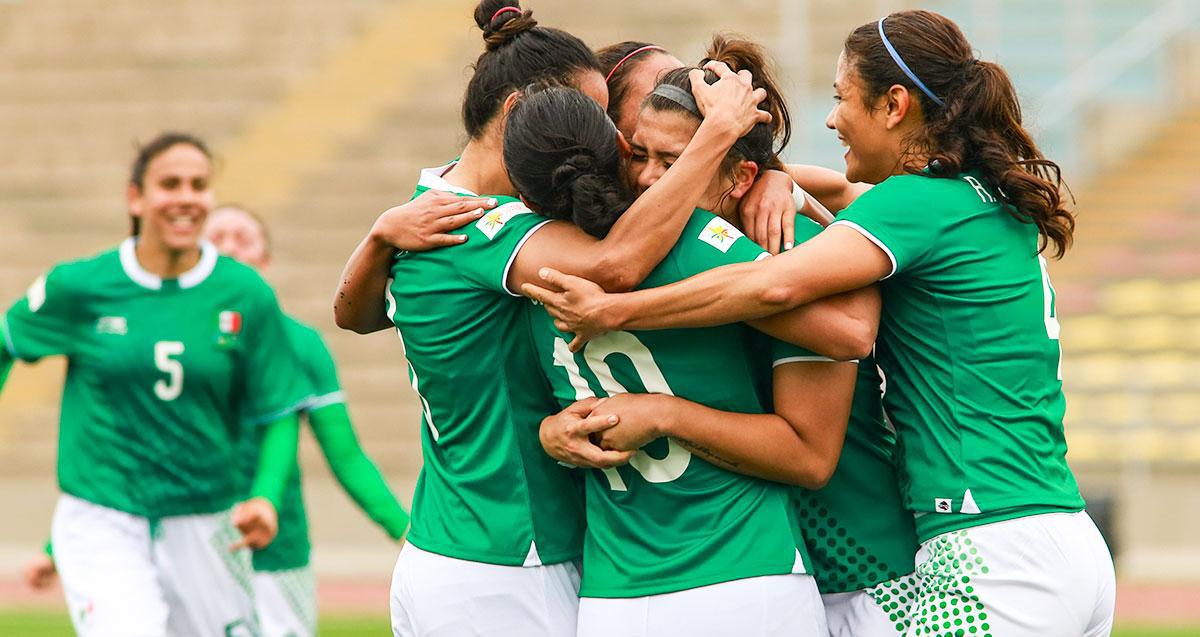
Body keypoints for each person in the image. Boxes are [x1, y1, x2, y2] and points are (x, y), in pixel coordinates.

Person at [526, 10, 1116, 637]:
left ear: (894, 106)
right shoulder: (966, 198)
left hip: (986, 541)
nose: (831, 120)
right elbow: (839, 196)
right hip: (1054, 531)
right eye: (635, 153)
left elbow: (789, 293)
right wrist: (774, 181)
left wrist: (617, 309)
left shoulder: (909, 204)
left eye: (841, 100)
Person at [332, 2, 778, 635]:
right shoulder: (488, 229)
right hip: (512, 554)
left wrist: (377, 237)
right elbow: (618, 264)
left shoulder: (428, 203)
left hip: (452, 545)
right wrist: (714, 139)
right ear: (520, 112)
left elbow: (354, 317)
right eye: (597, 114)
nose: (612, 138)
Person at [505, 37, 852, 632]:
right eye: (638, 155)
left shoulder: (542, 252)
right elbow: (845, 340)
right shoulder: (730, 252)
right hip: (737, 577)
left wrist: (786, 183)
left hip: (624, 593)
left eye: (672, 162)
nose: (647, 179)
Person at [0, 132, 306, 636]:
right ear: (135, 197)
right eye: (170, 184)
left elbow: (279, 410)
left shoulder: (245, 294)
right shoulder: (81, 286)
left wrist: (267, 496)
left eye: (199, 185)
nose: (186, 197)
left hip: (207, 515)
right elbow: (8, 341)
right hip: (104, 515)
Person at [205, 204, 411, 637]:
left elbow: (346, 457)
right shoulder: (168, 341)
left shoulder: (301, 345)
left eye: (242, 238)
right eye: (215, 237)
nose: (227, 247)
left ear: (266, 261)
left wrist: (405, 534)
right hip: (190, 541)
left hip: (278, 549)